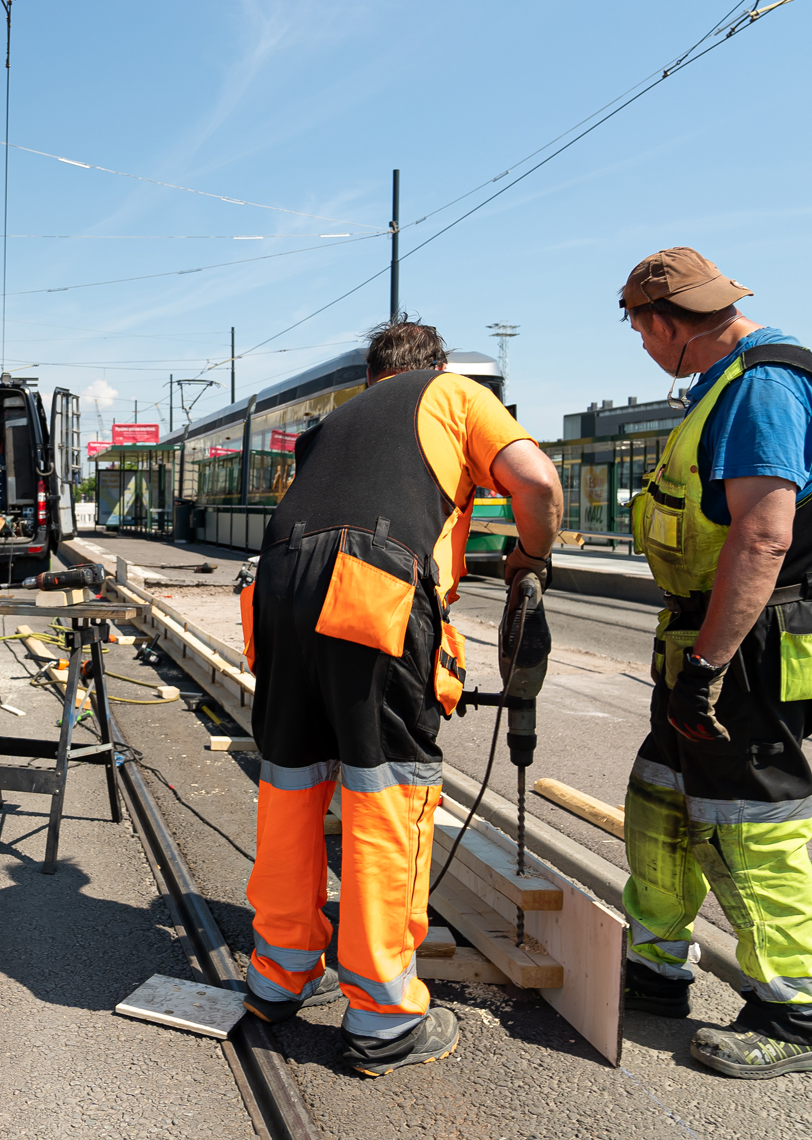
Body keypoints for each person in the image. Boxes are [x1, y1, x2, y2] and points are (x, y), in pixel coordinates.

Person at [241, 319, 564, 1076]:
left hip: (276, 585)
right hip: (367, 584)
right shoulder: (453, 394)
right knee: (386, 792)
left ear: (369, 376)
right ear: (437, 367)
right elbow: (538, 482)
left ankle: (276, 976)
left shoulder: (329, 426)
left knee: (292, 780)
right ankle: (383, 1019)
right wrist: (530, 556)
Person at [617, 247, 812, 1079]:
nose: (644, 347)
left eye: (645, 332)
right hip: (706, 639)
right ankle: (654, 972)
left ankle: (794, 1018)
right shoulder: (726, 385)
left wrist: (709, 667)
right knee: (662, 802)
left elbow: (763, 533)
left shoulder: (761, 385)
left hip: (748, 648)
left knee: (748, 826)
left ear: (667, 324)